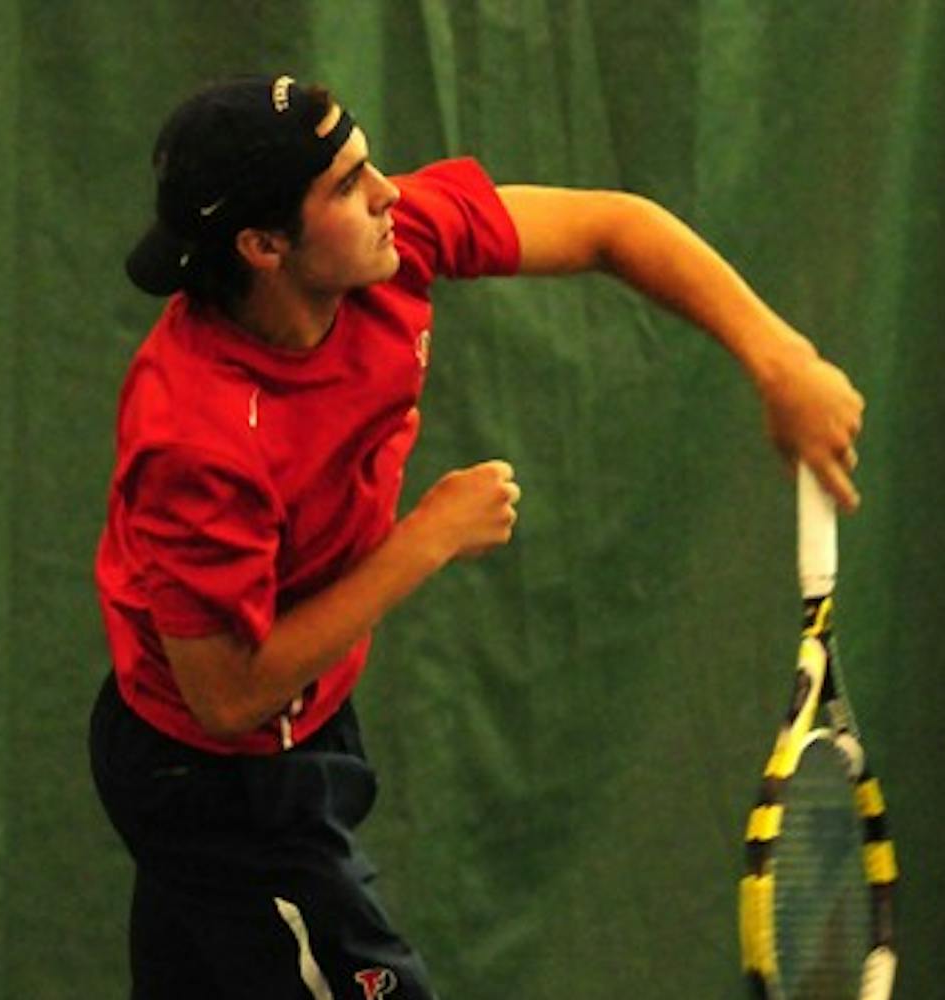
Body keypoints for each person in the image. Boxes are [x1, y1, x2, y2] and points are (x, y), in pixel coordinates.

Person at [90, 73, 863, 999]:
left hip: (302, 728)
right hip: (223, 788)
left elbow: (614, 228)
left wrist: (780, 360)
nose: (386, 193)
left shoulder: (387, 241)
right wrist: (427, 538)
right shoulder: (198, 437)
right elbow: (224, 697)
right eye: (344, 187)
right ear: (263, 245)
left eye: (366, 164)